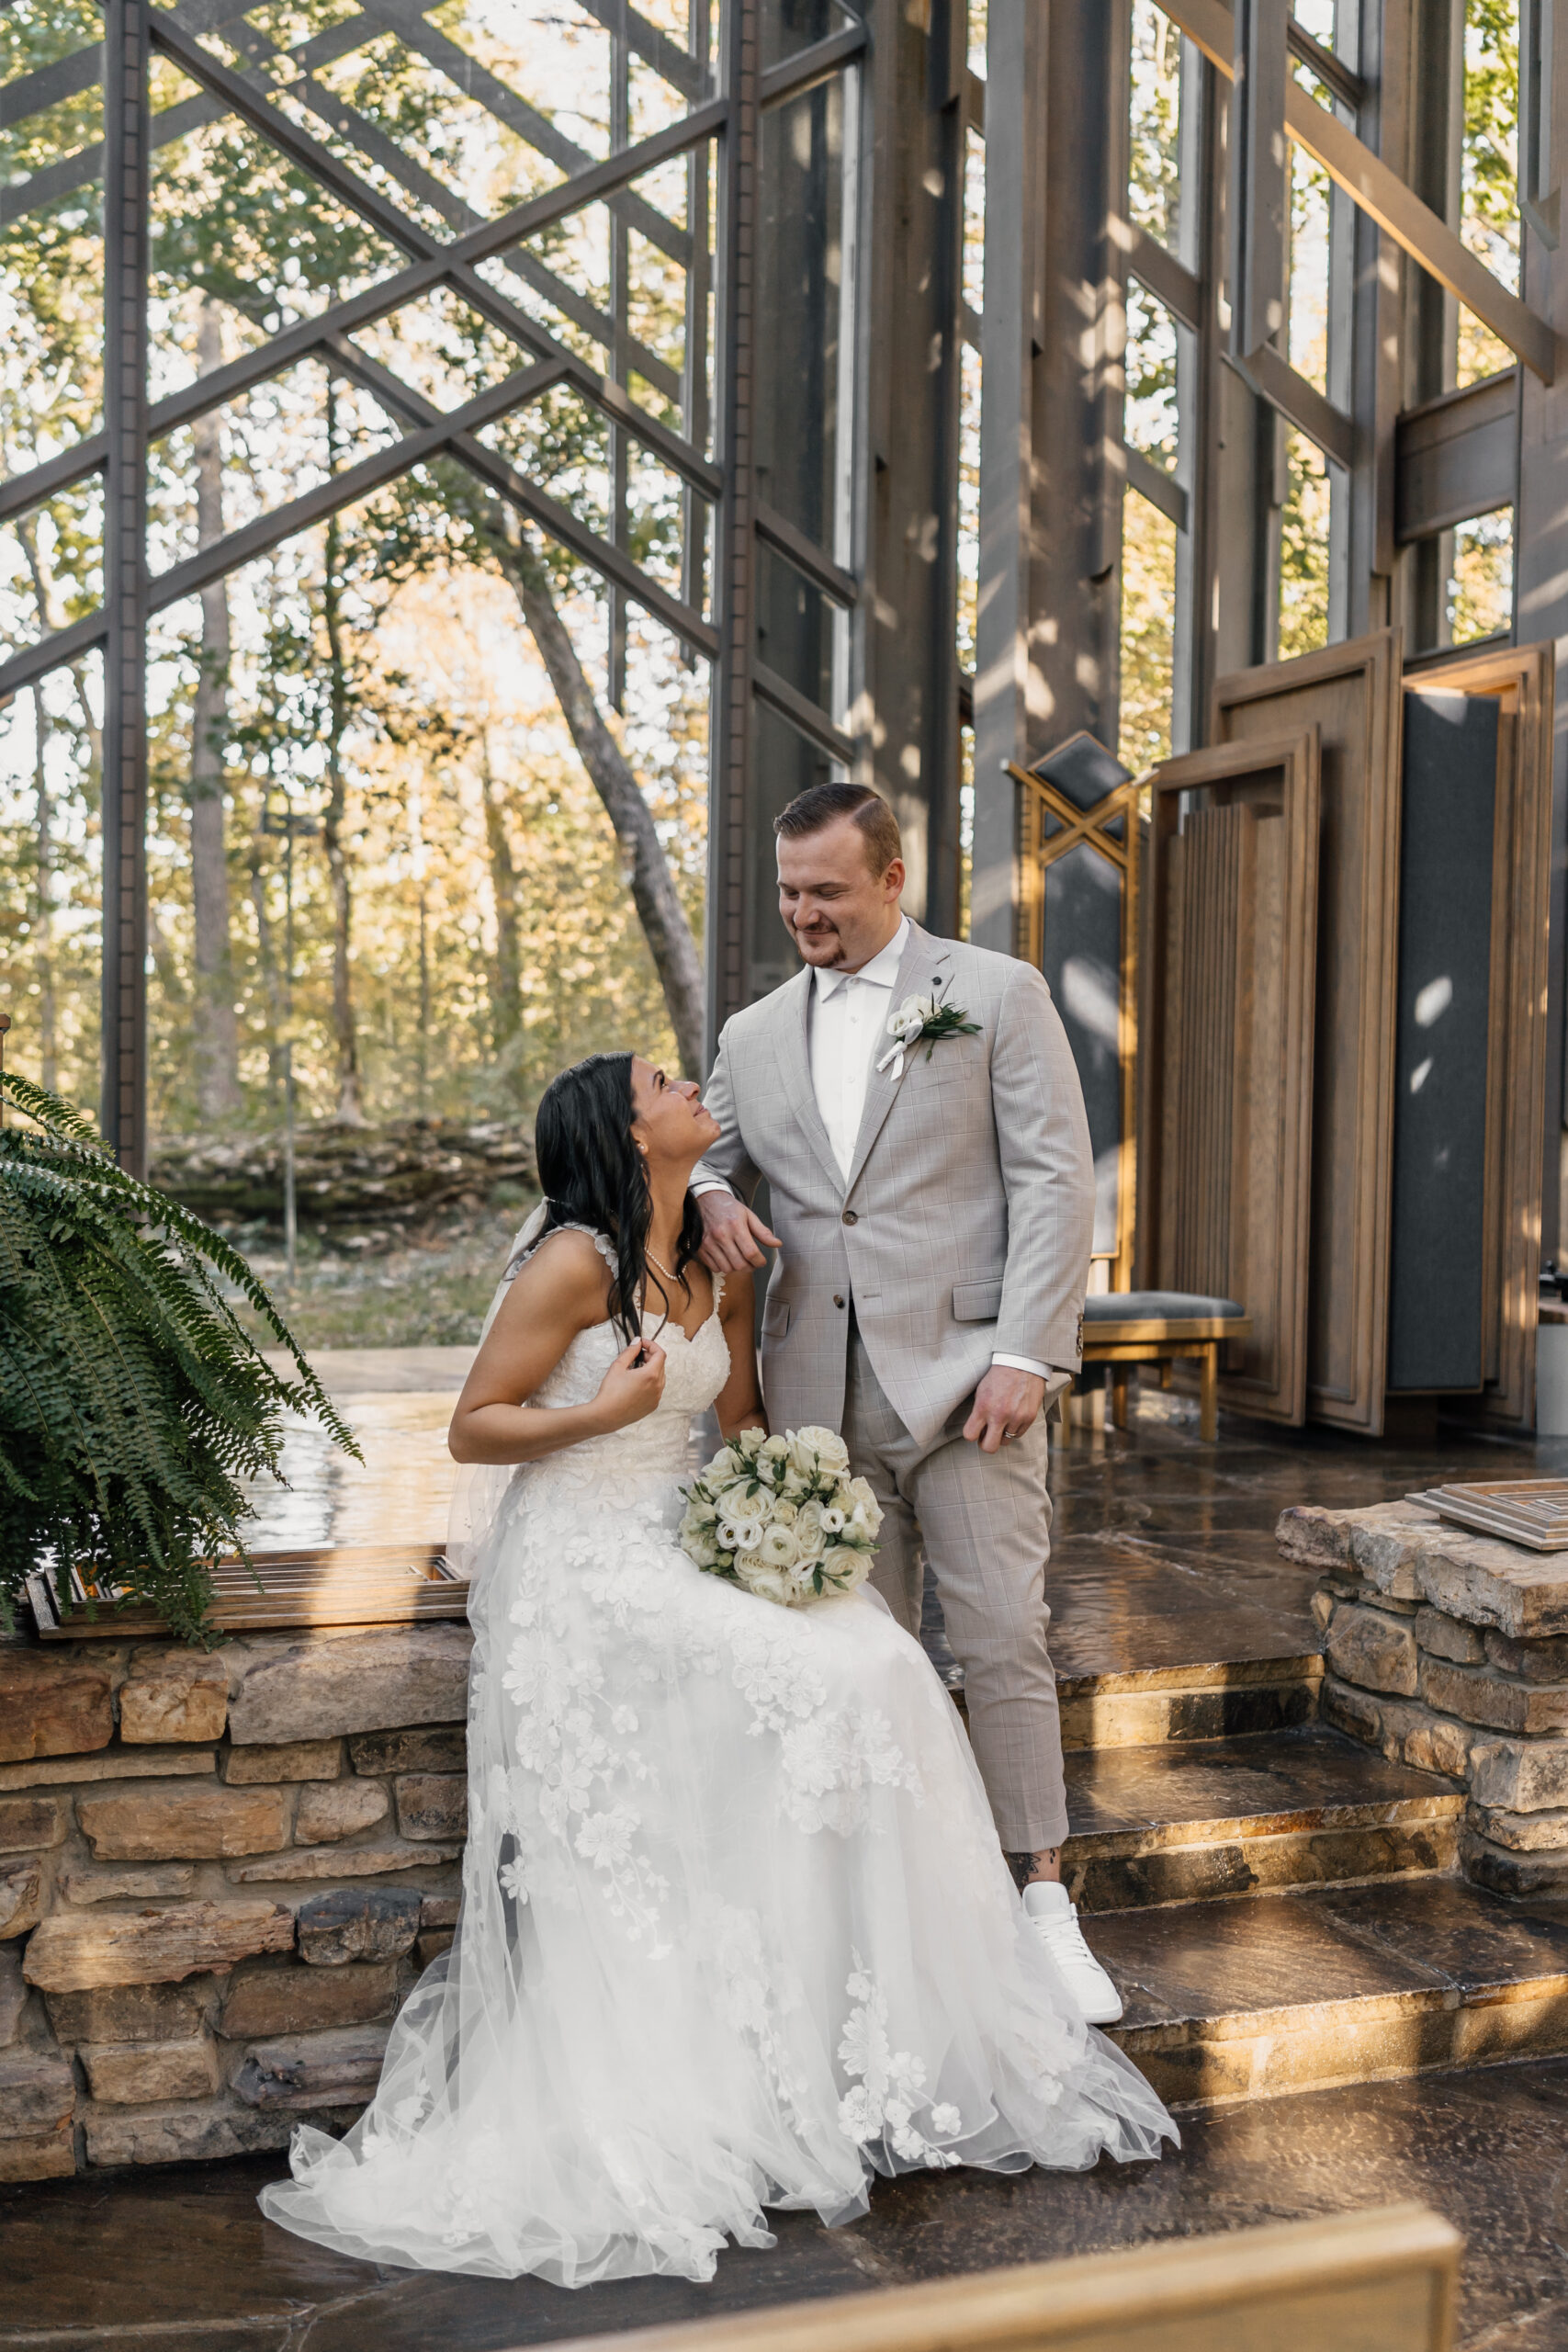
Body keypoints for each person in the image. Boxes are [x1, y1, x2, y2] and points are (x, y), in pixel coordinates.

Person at [258, 1051, 1173, 2285]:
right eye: (665, 1081)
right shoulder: (576, 1260)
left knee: (881, 1661)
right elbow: (476, 1424)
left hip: (679, 1528)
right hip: (580, 1554)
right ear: (629, 1134)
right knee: (813, 1685)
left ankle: (866, 2029)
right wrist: (602, 1415)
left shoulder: (710, 1258)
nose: (694, 1088)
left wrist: (792, 1515)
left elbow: (733, 1416)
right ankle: (724, 2056)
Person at [694, 781, 1120, 2018]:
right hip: (815, 1399)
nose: (803, 915)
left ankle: (1042, 1899)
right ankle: (890, 1912)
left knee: (1000, 1639)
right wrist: (715, 1198)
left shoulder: (994, 993)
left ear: (892, 881)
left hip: (974, 1382)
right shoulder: (752, 1034)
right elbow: (700, 1162)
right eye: (788, 893)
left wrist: (1030, 1353)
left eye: (826, 891)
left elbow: (1055, 1182)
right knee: (862, 1667)